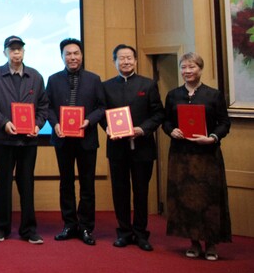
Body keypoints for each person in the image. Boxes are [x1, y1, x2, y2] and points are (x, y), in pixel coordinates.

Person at [163, 52, 231, 261]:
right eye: (183, 67)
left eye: (191, 67)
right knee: (186, 199)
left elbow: (224, 123)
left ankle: (211, 244)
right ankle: (193, 242)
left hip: (207, 156)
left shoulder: (214, 95)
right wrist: (171, 130)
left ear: (200, 69)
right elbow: (166, 121)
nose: (187, 71)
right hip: (181, 157)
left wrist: (212, 137)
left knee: (209, 199)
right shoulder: (173, 95)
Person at [0, 35, 49, 244]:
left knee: (27, 184)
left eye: (19, 49)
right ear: (5, 52)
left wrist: (37, 125)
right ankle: (0, 228)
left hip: (28, 141)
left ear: (24, 52)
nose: (16, 53)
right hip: (3, 139)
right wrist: (4, 123)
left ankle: (29, 229)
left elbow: (43, 107)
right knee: (2, 184)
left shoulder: (35, 76)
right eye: (12, 49)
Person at [101, 44, 163, 251]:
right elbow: (101, 113)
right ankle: (124, 232)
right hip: (117, 148)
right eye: (121, 58)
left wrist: (142, 129)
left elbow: (158, 114)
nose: (125, 61)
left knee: (141, 192)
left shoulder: (148, 84)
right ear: (114, 62)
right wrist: (107, 127)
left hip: (143, 148)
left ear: (135, 61)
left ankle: (141, 233)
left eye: (129, 58)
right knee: (120, 192)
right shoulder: (106, 86)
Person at [46, 38, 105, 246]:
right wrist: (55, 124)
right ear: (62, 57)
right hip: (63, 139)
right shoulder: (53, 79)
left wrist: (89, 121)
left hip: (86, 139)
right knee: (66, 183)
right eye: (68, 54)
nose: (73, 57)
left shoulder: (94, 79)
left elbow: (101, 107)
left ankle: (86, 227)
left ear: (81, 55)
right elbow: (47, 107)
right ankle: (69, 224)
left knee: (87, 184)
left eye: (76, 53)